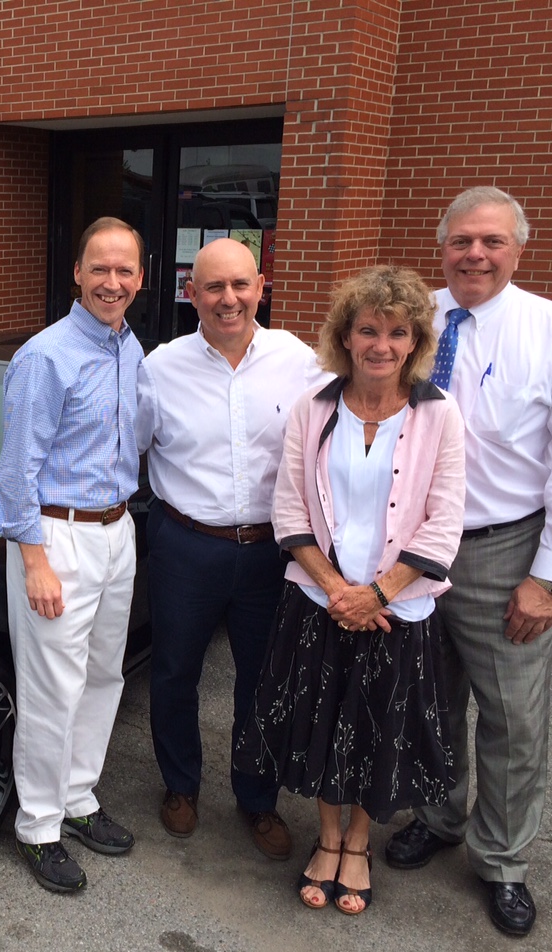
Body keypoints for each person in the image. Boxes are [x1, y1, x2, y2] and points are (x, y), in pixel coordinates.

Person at [382, 187, 552, 937]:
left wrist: (549, 576)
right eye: (462, 242)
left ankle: (503, 860)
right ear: (441, 246)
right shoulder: (416, 322)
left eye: (492, 242)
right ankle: (440, 818)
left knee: (512, 718)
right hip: (416, 549)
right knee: (432, 700)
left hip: (502, 547)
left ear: (518, 248)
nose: (475, 255)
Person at [233, 265, 466, 916]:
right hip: (319, 603)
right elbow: (289, 512)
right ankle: (328, 838)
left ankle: (359, 843)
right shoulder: (315, 408)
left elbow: (445, 520)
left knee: (376, 732)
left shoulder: (439, 416)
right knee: (323, 727)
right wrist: (339, 589)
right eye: (368, 330)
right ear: (346, 336)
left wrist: (380, 594)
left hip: (400, 610)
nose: (381, 345)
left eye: (398, 332)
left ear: (416, 342)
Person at [135, 237, 327, 860]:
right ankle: (181, 786)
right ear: (191, 293)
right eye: (213, 287)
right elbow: (127, 450)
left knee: (264, 680)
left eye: (240, 285)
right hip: (185, 545)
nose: (228, 299)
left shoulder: (299, 362)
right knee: (173, 672)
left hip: (271, 552)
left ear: (261, 286)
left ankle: (257, 798)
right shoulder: (159, 367)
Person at [0, 216, 144, 893]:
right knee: (52, 689)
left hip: (117, 531)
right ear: (77, 274)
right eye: (100, 269)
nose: (113, 281)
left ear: (141, 278)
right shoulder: (45, 356)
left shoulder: (128, 346)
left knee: (103, 675)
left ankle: (79, 799)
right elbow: (17, 470)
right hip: (58, 537)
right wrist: (34, 561)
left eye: (125, 270)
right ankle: (38, 826)